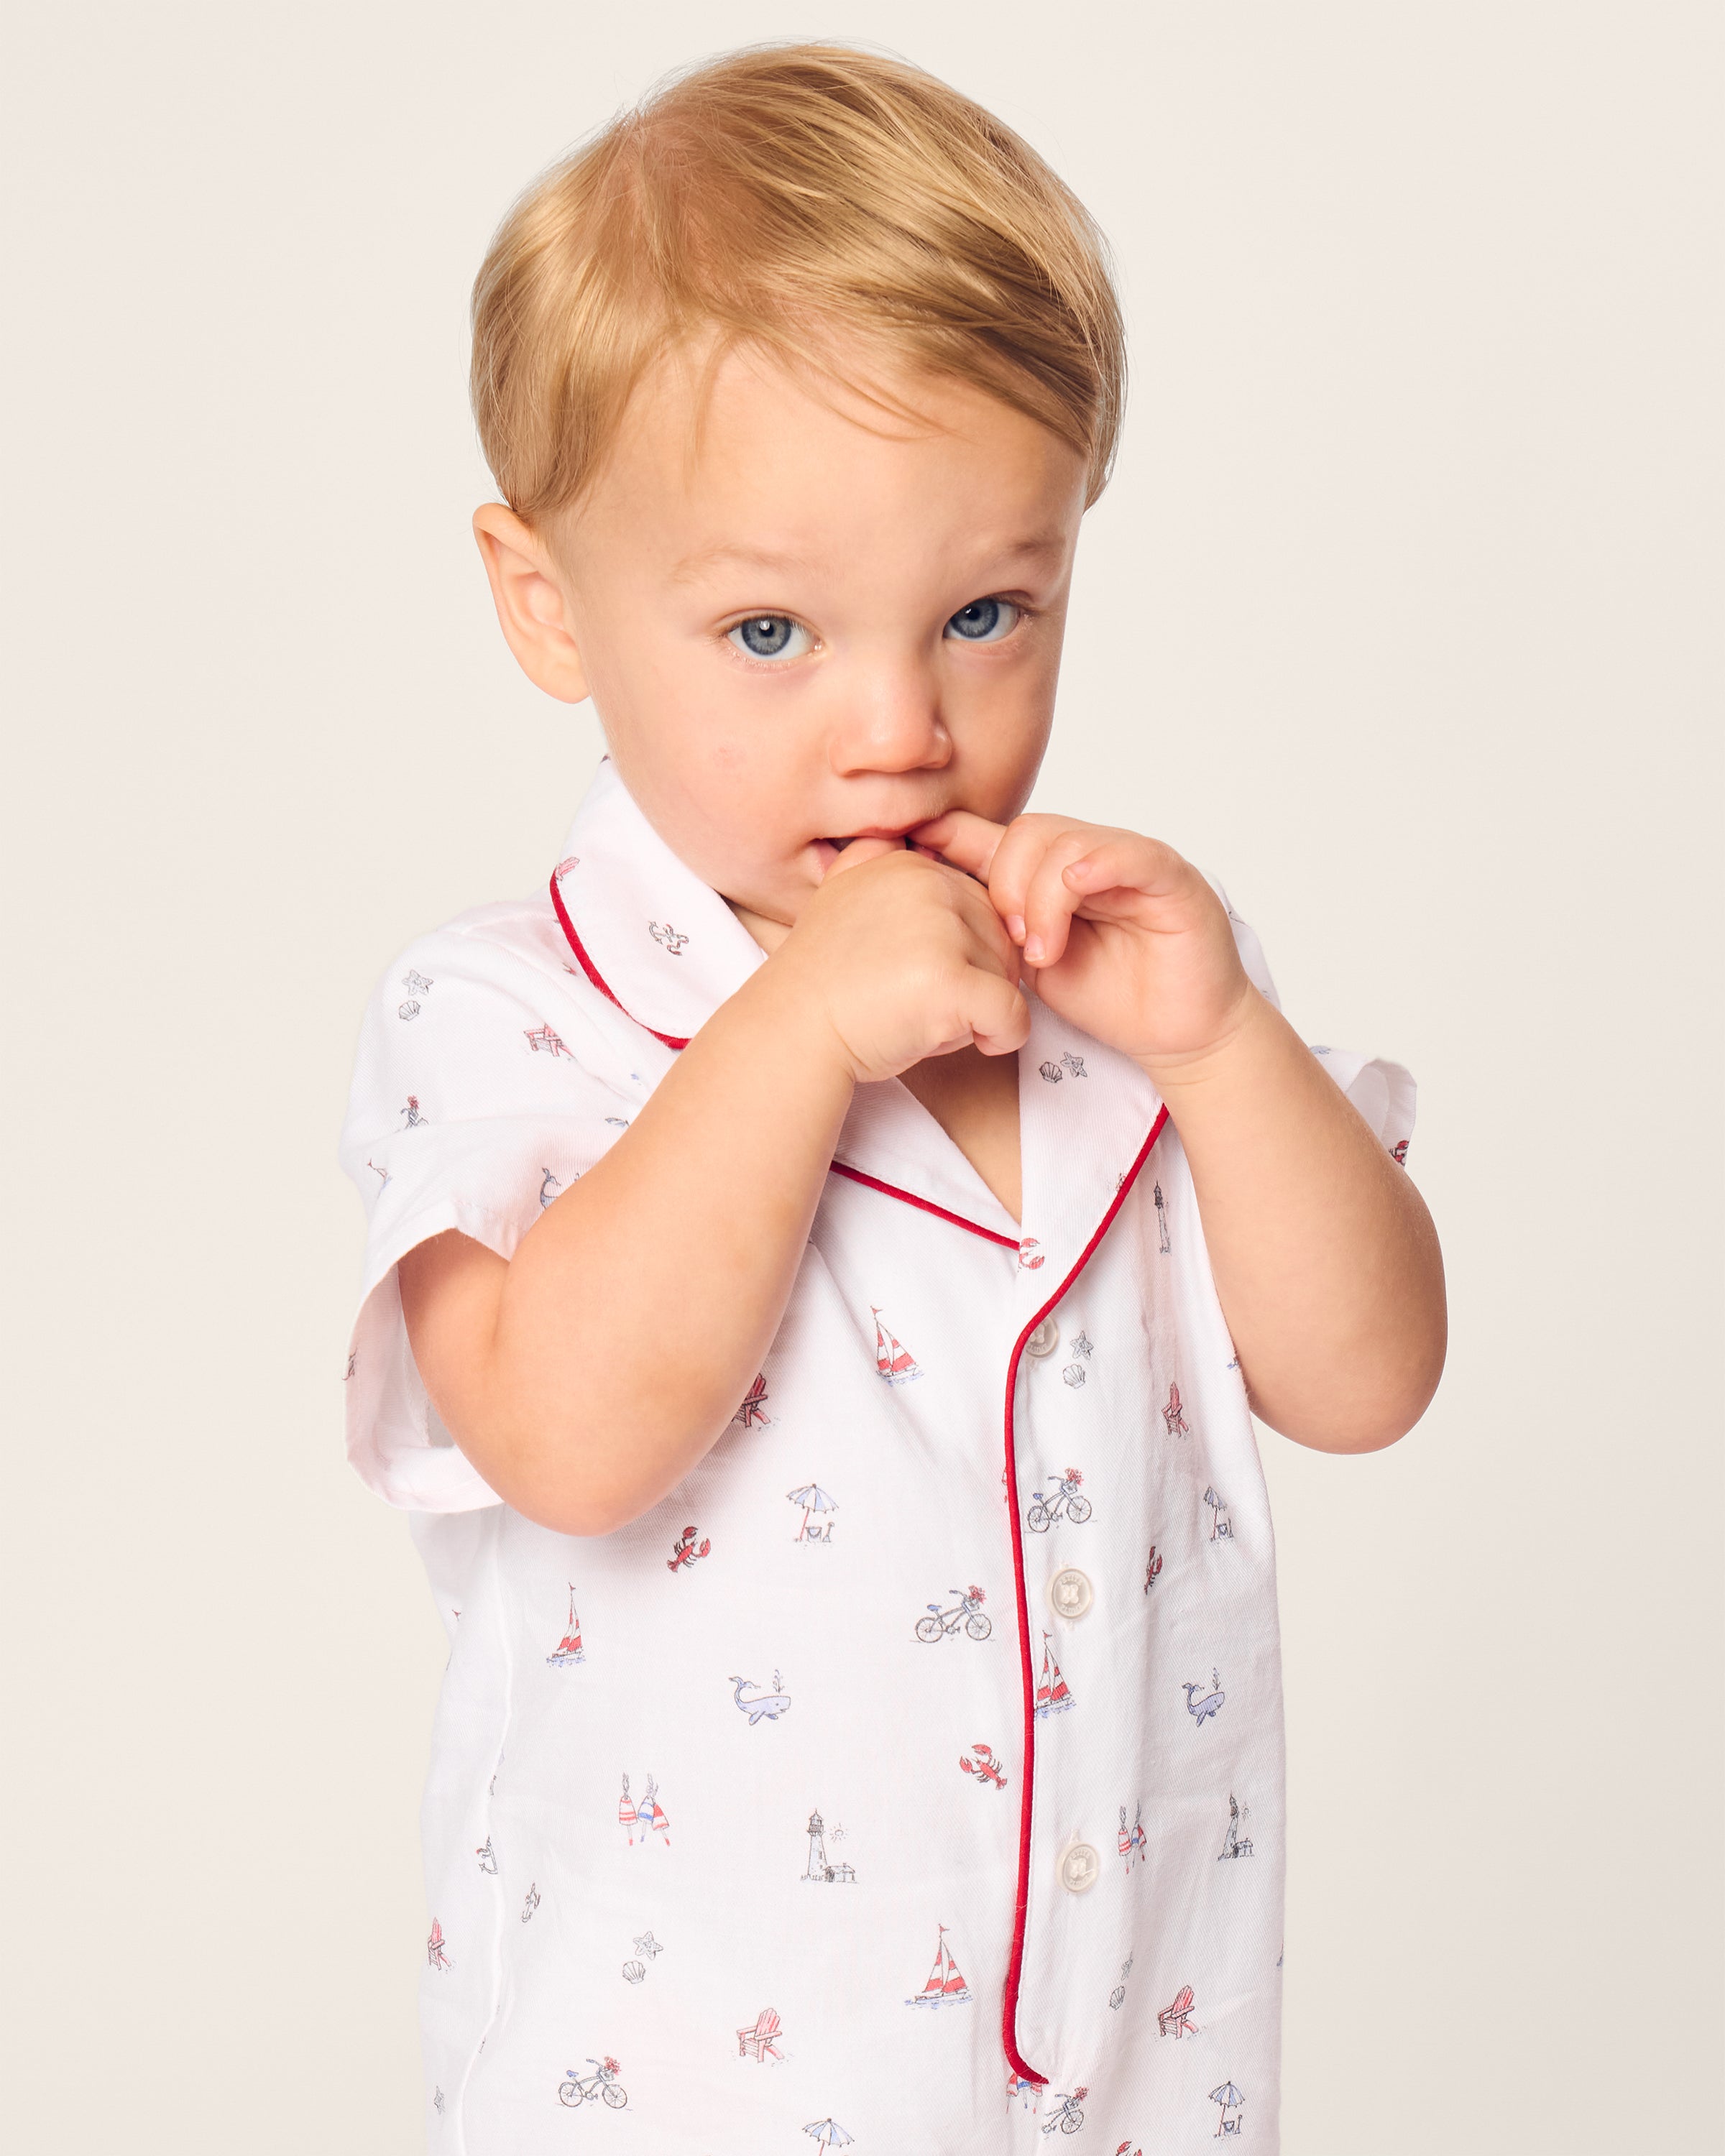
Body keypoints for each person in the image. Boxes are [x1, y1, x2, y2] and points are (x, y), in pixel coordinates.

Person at [337, 42, 1445, 2152]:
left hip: (1131, 2053)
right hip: (682, 2077)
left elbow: (1369, 1376)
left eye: (986, 615)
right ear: (546, 604)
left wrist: (1223, 1046)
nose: (901, 727)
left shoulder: (1129, 986)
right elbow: (567, 1438)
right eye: (771, 629)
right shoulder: (510, 1015)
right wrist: (796, 1034)